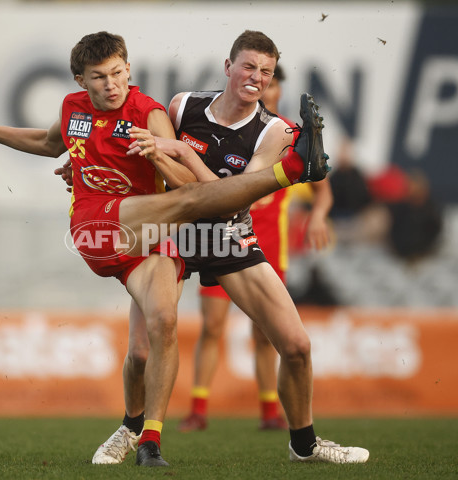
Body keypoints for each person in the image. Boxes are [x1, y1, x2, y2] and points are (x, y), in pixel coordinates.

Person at [80, 30, 367, 466]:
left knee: (296, 346)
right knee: (140, 351)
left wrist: (182, 152)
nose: (256, 78)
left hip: (227, 236)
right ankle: (131, 431)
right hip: (171, 233)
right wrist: (82, 162)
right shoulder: (182, 105)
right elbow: (145, 154)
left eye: (266, 72)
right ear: (228, 66)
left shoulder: (273, 131)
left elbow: (234, 196)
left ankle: (304, 445)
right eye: (249, 67)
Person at [177, 63, 334, 433]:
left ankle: (269, 412)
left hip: (267, 246)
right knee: (212, 326)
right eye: (257, 77)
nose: (264, 87)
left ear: (277, 90)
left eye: (271, 82)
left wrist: (318, 216)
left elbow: (322, 185)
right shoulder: (241, 131)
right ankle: (198, 408)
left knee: (268, 335)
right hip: (221, 239)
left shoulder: (283, 136)